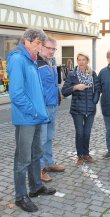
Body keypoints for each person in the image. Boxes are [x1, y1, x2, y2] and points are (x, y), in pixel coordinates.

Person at [7, 28, 56, 213]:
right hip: (27, 118)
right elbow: (17, 94)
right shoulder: (18, 59)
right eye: (37, 44)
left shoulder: (32, 59)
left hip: (37, 117)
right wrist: (35, 112)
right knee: (22, 159)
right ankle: (21, 196)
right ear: (27, 41)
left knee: (36, 154)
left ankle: (35, 187)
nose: (39, 48)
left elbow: (36, 89)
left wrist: (40, 111)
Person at [61, 52, 100, 165]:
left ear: (87, 61)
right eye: (79, 60)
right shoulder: (72, 74)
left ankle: (86, 154)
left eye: (84, 60)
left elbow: (97, 89)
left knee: (87, 133)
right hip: (77, 109)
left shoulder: (92, 74)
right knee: (80, 133)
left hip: (90, 109)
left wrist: (94, 102)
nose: (81, 62)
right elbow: (64, 91)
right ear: (77, 61)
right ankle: (80, 156)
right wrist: (75, 87)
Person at [37, 37, 65, 183]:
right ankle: (40, 168)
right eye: (49, 48)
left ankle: (49, 163)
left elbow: (54, 83)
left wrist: (58, 96)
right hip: (42, 107)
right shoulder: (36, 63)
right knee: (41, 138)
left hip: (53, 105)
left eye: (54, 49)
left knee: (49, 136)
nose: (51, 51)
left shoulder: (52, 62)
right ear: (41, 47)